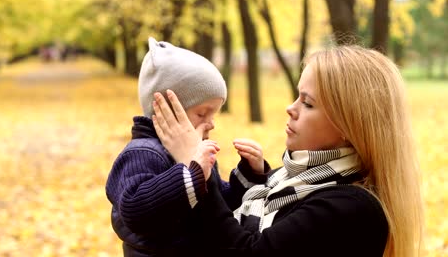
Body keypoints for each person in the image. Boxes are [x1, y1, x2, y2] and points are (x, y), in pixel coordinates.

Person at [152, 45, 424, 257]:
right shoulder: (291, 180)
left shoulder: (352, 209)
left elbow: (245, 252)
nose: (290, 108)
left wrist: (197, 170)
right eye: (297, 96)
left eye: (307, 103)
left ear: (348, 124)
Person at [105, 37, 235, 256]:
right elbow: (135, 211)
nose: (211, 123)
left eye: (214, 113)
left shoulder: (196, 148)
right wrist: (190, 175)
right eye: (202, 113)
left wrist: (247, 178)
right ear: (167, 110)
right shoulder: (142, 153)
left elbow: (217, 200)